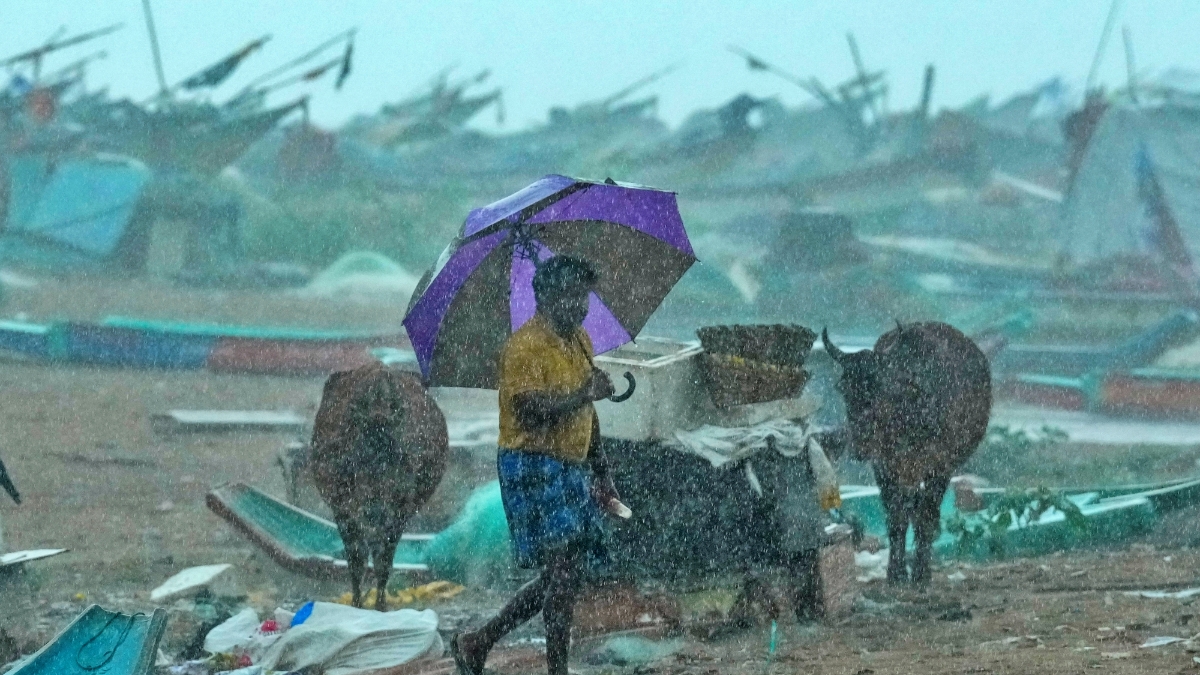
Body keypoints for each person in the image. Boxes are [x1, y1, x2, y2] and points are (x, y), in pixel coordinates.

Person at [452, 255, 620, 675]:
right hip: (531, 464)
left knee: (565, 573)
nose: (576, 305)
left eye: (581, 296)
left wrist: (602, 471)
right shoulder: (524, 347)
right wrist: (584, 393)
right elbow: (529, 410)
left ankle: (479, 642)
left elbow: (588, 417)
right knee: (562, 570)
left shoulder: (579, 339)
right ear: (542, 297)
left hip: (571, 464)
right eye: (565, 295)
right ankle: (555, 669)